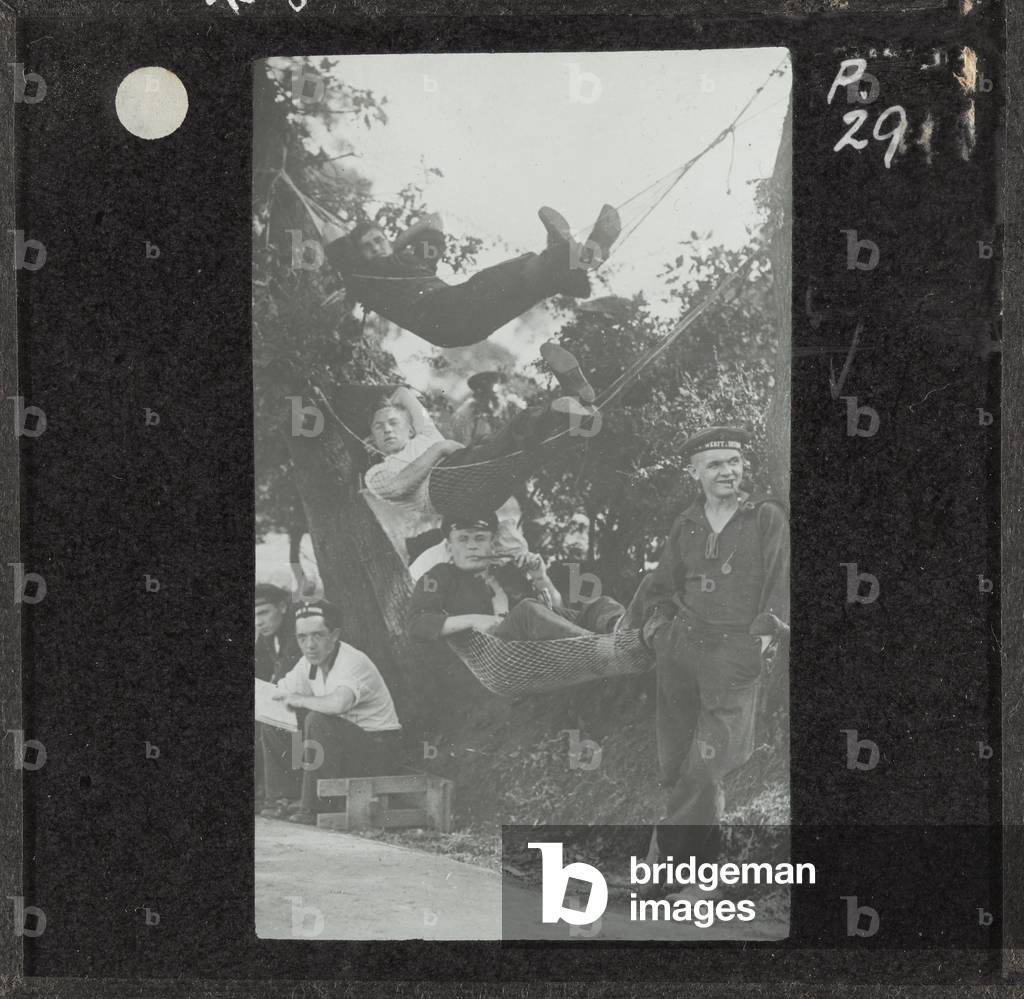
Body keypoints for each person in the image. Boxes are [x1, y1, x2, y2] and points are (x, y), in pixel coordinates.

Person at [631, 426, 789, 899]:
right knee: (678, 763)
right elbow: (662, 585)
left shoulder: (765, 516)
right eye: (715, 464)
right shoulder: (687, 522)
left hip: (734, 654)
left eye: (734, 461)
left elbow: (782, 580)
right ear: (695, 471)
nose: (728, 471)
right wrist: (658, 631)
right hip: (680, 651)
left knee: (708, 764)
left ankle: (664, 871)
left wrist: (761, 639)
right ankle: (697, 876)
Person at [363, 341, 599, 554]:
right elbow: (397, 487)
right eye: (378, 427)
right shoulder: (377, 473)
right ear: (371, 440)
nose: (387, 430)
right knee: (505, 440)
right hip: (446, 490)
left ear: (410, 429)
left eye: (393, 423)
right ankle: (561, 408)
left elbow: (403, 393)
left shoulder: (425, 433)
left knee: (531, 453)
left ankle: (575, 413)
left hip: (481, 479)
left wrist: (387, 407)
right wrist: (440, 448)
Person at [325, 205, 621, 349]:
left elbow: (434, 220)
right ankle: (566, 255)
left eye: (378, 240)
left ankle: (575, 266)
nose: (376, 248)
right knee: (496, 279)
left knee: (523, 289)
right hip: (440, 316)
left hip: (463, 323)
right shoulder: (362, 276)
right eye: (368, 247)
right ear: (358, 254)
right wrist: (372, 252)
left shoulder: (417, 263)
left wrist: (393, 246)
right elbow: (329, 230)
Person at [259, 600, 403, 826]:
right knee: (275, 721)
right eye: (302, 637)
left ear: (334, 635)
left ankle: (317, 806)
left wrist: (299, 699)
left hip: (377, 750)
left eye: (318, 635)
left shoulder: (352, 661)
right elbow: (279, 694)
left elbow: (338, 705)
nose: (309, 645)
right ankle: (283, 798)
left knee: (317, 719)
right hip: (340, 749)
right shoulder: (309, 663)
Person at [407, 511, 625, 646]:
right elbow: (418, 623)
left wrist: (541, 578)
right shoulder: (440, 575)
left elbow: (555, 611)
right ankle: (598, 646)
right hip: (499, 656)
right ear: (449, 546)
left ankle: (623, 630)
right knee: (527, 609)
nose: (472, 545)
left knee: (600, 604)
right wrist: (474, 620)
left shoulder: (506, 572)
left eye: (480, 538)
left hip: (541, 645)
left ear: (492, 544)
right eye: (463, 539)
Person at [254, 583, 301, 812]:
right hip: (287, 698)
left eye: (263, 613)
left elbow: (283, 679)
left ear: (282, 606)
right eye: (254, 616)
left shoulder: (297, 629)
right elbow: (258, 674)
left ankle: (280, 795)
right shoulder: (267, 633)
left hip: (309, 703)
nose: (258, 622)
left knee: (268, 719)